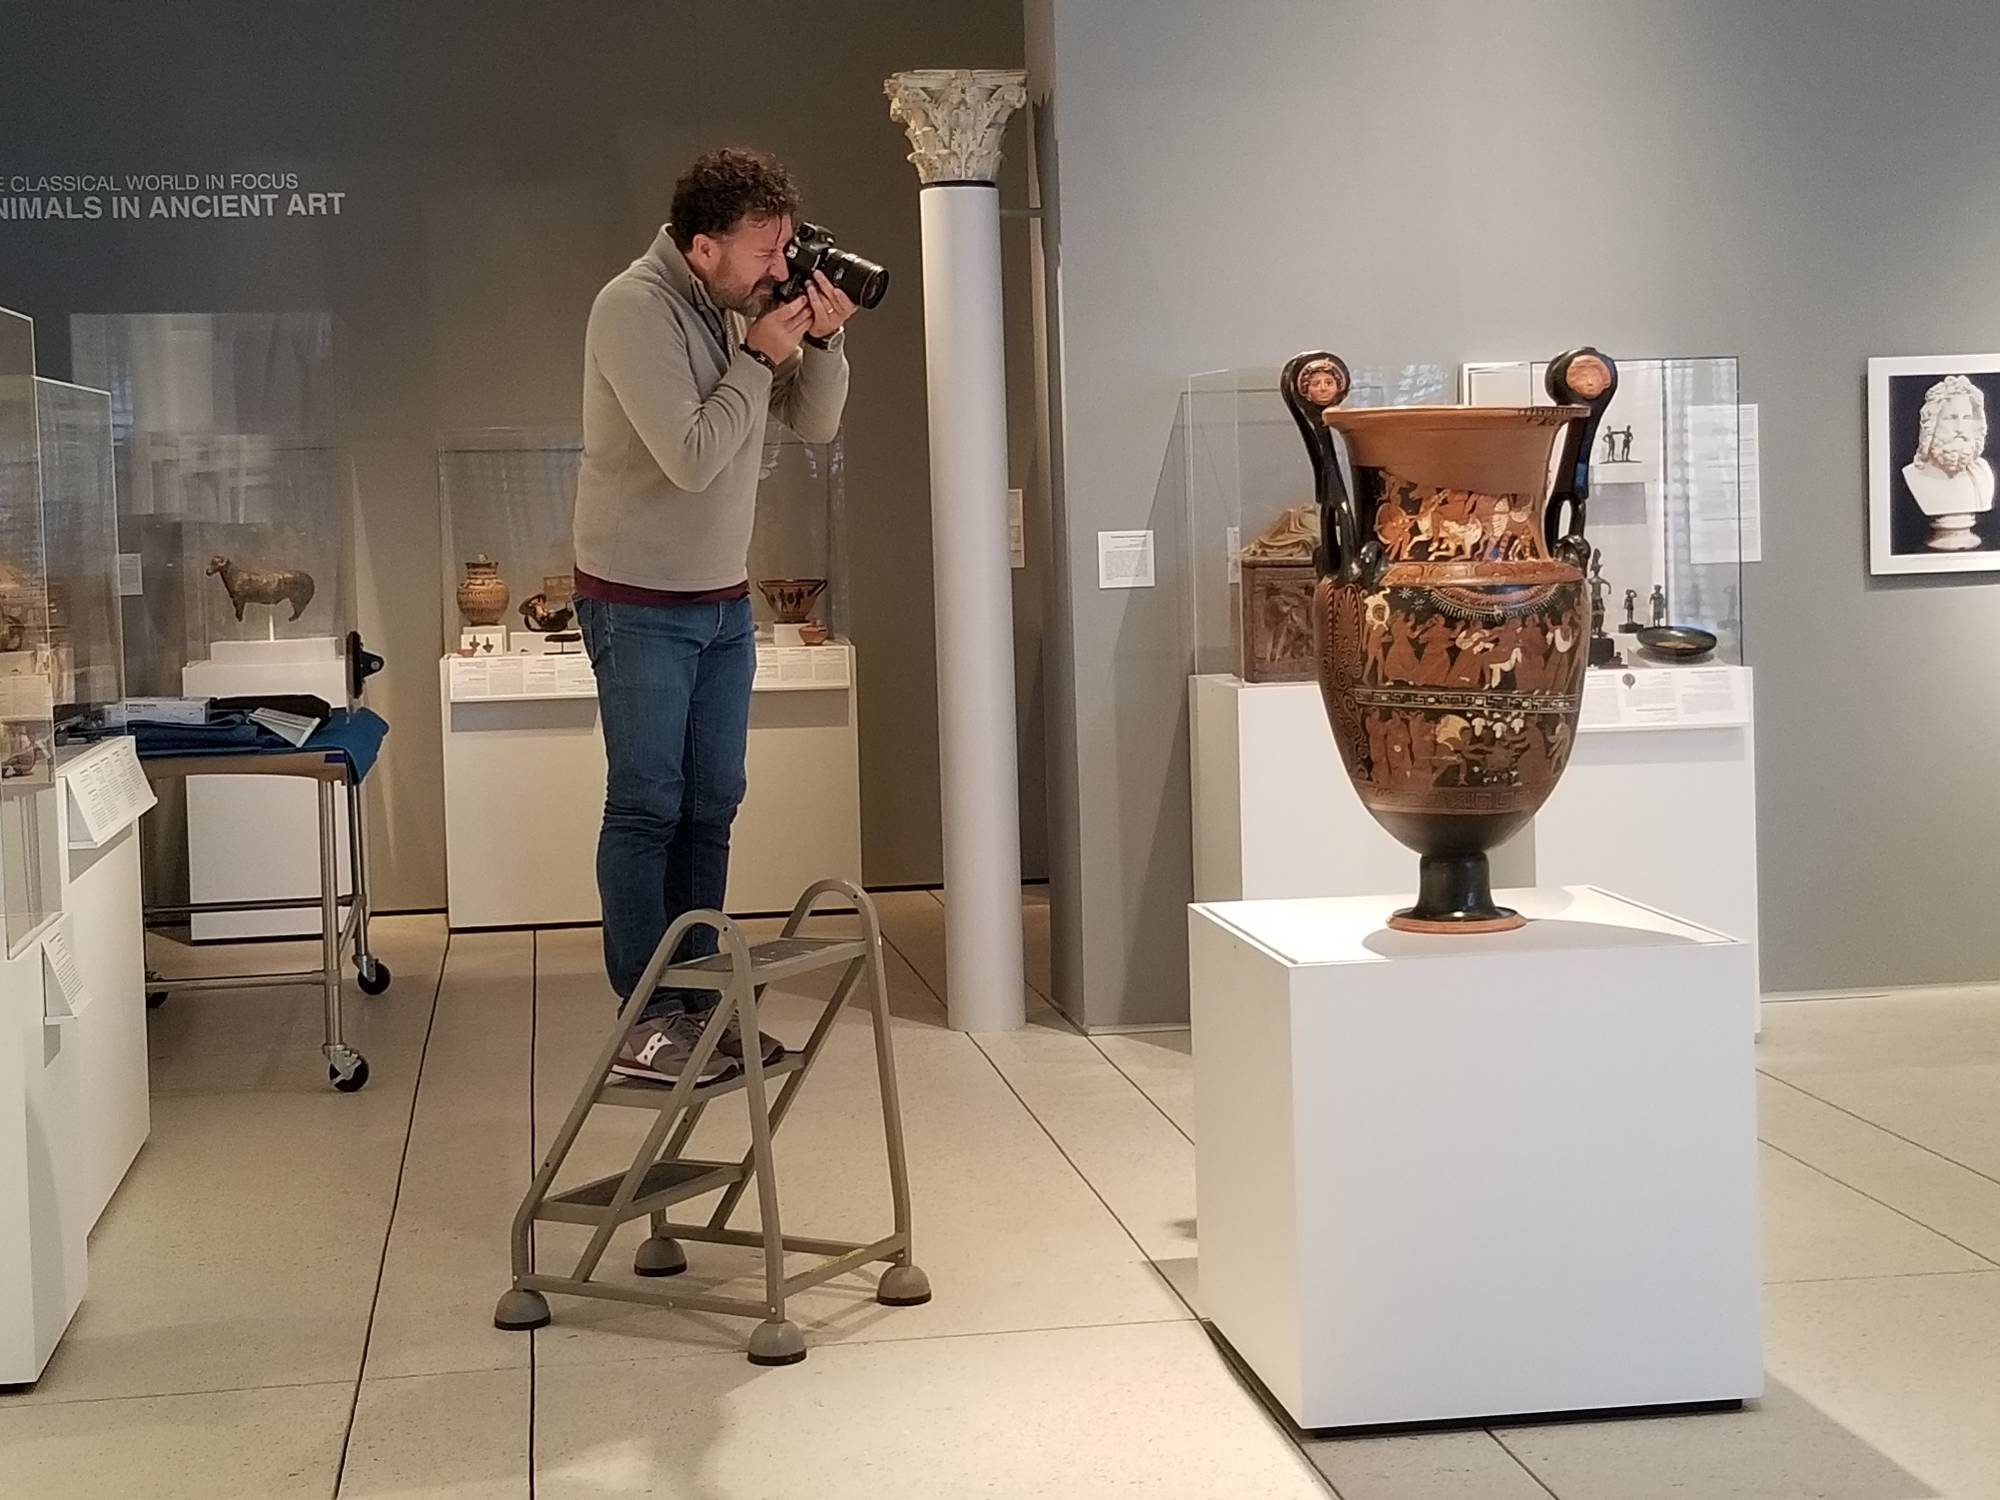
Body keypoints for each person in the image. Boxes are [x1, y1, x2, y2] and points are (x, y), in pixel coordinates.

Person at [572, 148, 856, 1085]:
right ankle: (643, 1019)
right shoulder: (632, 308)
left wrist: (824, 341)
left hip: (720, 599)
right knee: (647, 803)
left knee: (712, 803)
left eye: (787, 247)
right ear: (703, 248)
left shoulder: (736, 312)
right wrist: (760, 356)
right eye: (767, 250)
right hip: (639, 601)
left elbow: (813, 429)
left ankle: (695, 1004)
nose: (783, 267)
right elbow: (692, 455)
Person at [1902, 374, 1995, 551]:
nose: (1960, 427)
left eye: (1966, 418)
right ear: (1933, 424)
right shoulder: (1914, 474)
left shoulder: (1983, 473)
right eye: (1951, 418)